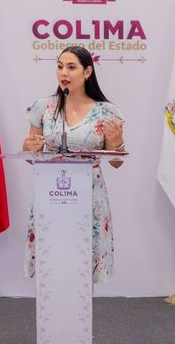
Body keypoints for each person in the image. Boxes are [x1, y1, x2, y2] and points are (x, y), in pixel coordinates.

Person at [22, 45, 125, 283]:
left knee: (81, 263)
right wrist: (30, 147)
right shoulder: (43, 107)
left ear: (87, 72)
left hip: (89, 193)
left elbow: (117, 163)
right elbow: (29, 153)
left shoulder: (106, 111)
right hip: (52, 191)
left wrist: (117, 143)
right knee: (54, 263)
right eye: (59, 67)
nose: (63, 74)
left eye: (71, 67)